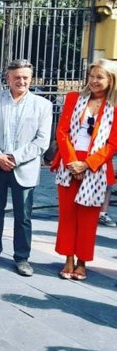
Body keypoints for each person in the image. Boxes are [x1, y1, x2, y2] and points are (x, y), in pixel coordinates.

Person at [0, 59, 53, 276]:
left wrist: (15, 158)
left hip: (24, 168)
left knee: (23, 216)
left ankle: (22, 258)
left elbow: (42, 140)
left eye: (25, 77)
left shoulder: (43, 105)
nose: (21, 81)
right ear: (7, 78)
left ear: (30, 79)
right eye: (17, 77)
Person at [52, 59, 117, 281]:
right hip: (69, 163)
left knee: (88, 219)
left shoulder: (115, 107)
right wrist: (72, 163)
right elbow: (62, 132)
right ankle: (68, 259)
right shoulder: (73, 98)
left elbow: (112, 143)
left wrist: (87, 164)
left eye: (100, 77)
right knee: (68, 216)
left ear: (111, 80)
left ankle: (82, 262)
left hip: (95, 167)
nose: (94, 81)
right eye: (92, 76)